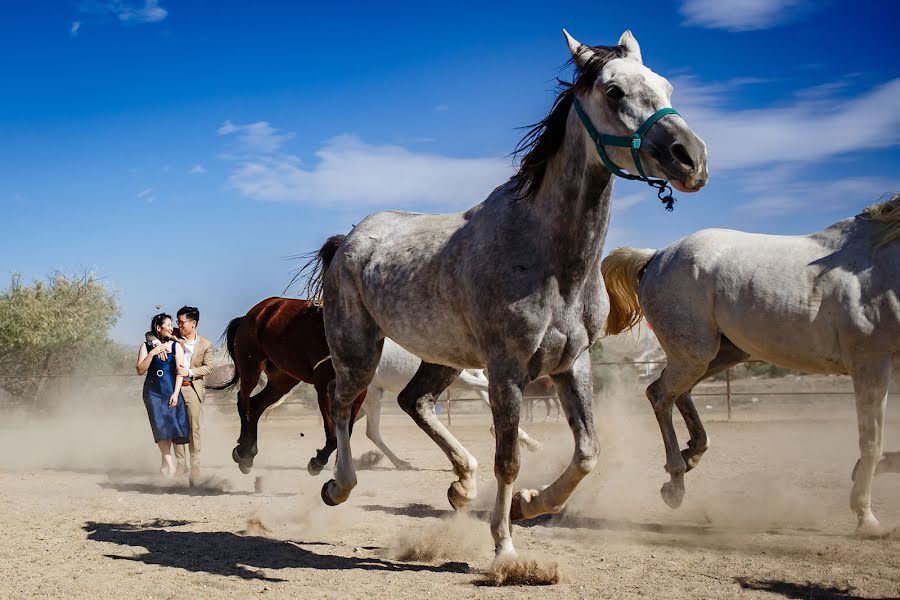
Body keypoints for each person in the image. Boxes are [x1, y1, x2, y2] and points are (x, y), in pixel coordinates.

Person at [135, 313, 190, 477]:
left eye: (171, 323)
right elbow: (139, 370)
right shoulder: (146, 346)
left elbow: (180, 372)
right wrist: (153, 353)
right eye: (167, 324)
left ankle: (164, 463)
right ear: (158, 328)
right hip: (152, 392)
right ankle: (170, 465)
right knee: (159, 427)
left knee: (171, 427)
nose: (171, 327)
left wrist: (176, 393)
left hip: (170, 391)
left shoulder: (175, 346)